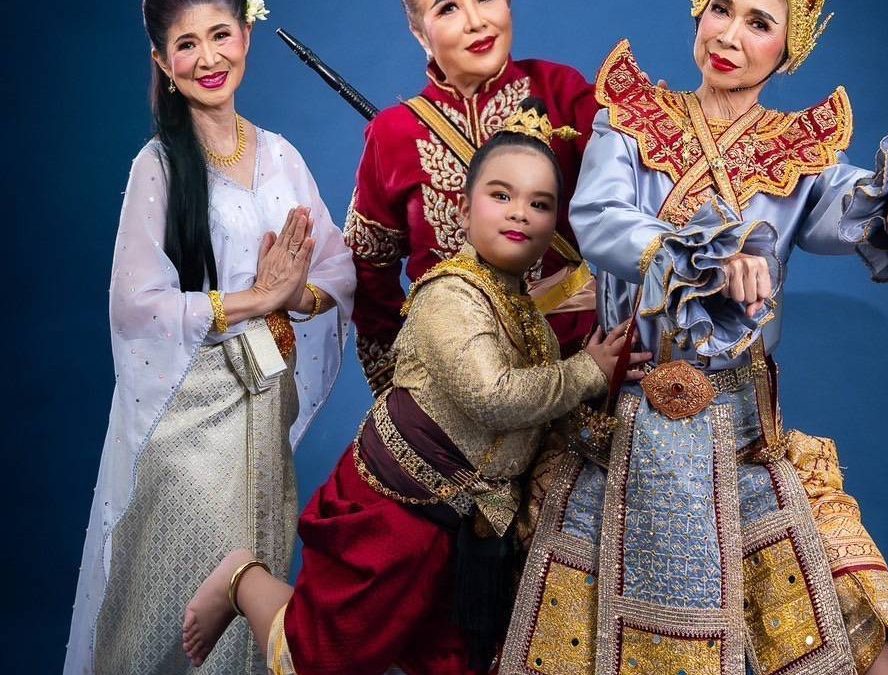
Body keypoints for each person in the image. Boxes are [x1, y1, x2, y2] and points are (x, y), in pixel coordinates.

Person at [501, 2, 888, 675]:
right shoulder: (631, 121)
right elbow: (601, 218)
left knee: (887, 648)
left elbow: (857, 201)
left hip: (742, 444)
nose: (729, 36)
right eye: (721, 9)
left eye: (759, 23)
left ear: (789, 49)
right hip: (621, 435)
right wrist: (706, 256)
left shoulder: (799, 156)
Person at [180, 102, 649, 675]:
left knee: (460, 665)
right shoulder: (448, 294)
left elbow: (538, 416)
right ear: (464, 209)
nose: (520, 213)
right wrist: (587, 373)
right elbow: (494, 397)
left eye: (540, 203)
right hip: (394, 510)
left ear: (556, 226)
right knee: (319, 659)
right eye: (501, 195)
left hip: (464, 530)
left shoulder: (529, 317)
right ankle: (241, 578)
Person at [64, 1, 356, 673]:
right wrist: (258, 299)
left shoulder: (281, 155)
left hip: (267, 407)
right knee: (177, 617)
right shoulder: (158, 165)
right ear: (163, 62)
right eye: (187, 45)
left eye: (221, 35)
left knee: (255, 604)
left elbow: (337, 268)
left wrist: (296, 294)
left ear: (246, 35)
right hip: (191, 423)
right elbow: (136, 306)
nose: (209, 58)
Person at [346, 0, 602, 396]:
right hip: (457, 372)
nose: (476, 21)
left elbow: (637, 195)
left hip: (578, 348)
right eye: (448, 8)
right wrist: (395, 381)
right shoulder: (392, 134)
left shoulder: (559, 89)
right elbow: (368, 268)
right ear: (419, 32)